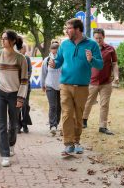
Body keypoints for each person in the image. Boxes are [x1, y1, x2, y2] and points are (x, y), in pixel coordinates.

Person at [49, 18, 103, 156]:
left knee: (78, 116)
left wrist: (92, 59)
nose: (66, 31)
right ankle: (68, 144)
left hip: (82, 86)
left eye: (69, 28)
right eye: (66, 28)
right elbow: (59, 60)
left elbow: (100, 65)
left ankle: (77, 141)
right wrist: (54, 63)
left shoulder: (92, 44)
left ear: (78, 29)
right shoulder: (65, 44)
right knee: (67, 114)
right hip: (65, 84)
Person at [0, 30, 28, 167]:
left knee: (13, 125)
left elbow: (24, 80)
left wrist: (21, 98)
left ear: (13, 41)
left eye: (5, 39)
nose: (3, 41)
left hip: (15, 94)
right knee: (2, 125)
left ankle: (11, 143)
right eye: (1, 38)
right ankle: (5, 155)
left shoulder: (21, 58)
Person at [82, 28, 119, 135]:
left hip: (106, 82)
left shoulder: (110, 49)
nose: (98, 40)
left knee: (104, 104)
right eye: (96, 38)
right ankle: (83, 121)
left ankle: (103, 126)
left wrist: (116, 76)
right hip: (91, 81)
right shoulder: (89, 49)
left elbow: (115, 64)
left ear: (104, 37)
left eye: (100, 38)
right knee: (88, 102)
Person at [41, 42, 61, 136]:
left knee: (59, 106)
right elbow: (43, 73)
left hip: (61, 86)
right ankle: (52, 126)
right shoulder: (47, 60)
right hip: (50, 85)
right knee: (53, 106)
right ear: (50, 51)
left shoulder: (63, 59)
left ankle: (56, 123)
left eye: (56, 52)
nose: (54, 54)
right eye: (53, 52)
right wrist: (42, 84)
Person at [17, 37, 32, 134]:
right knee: (17, 106)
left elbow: (29, 71)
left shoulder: (27, 58)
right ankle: (17, 125)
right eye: (24, 48)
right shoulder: (16, 57)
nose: (25, 50)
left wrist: (24, 81)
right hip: (16, 86)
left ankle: (25, 124)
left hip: (26, 86)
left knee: (25, 105)